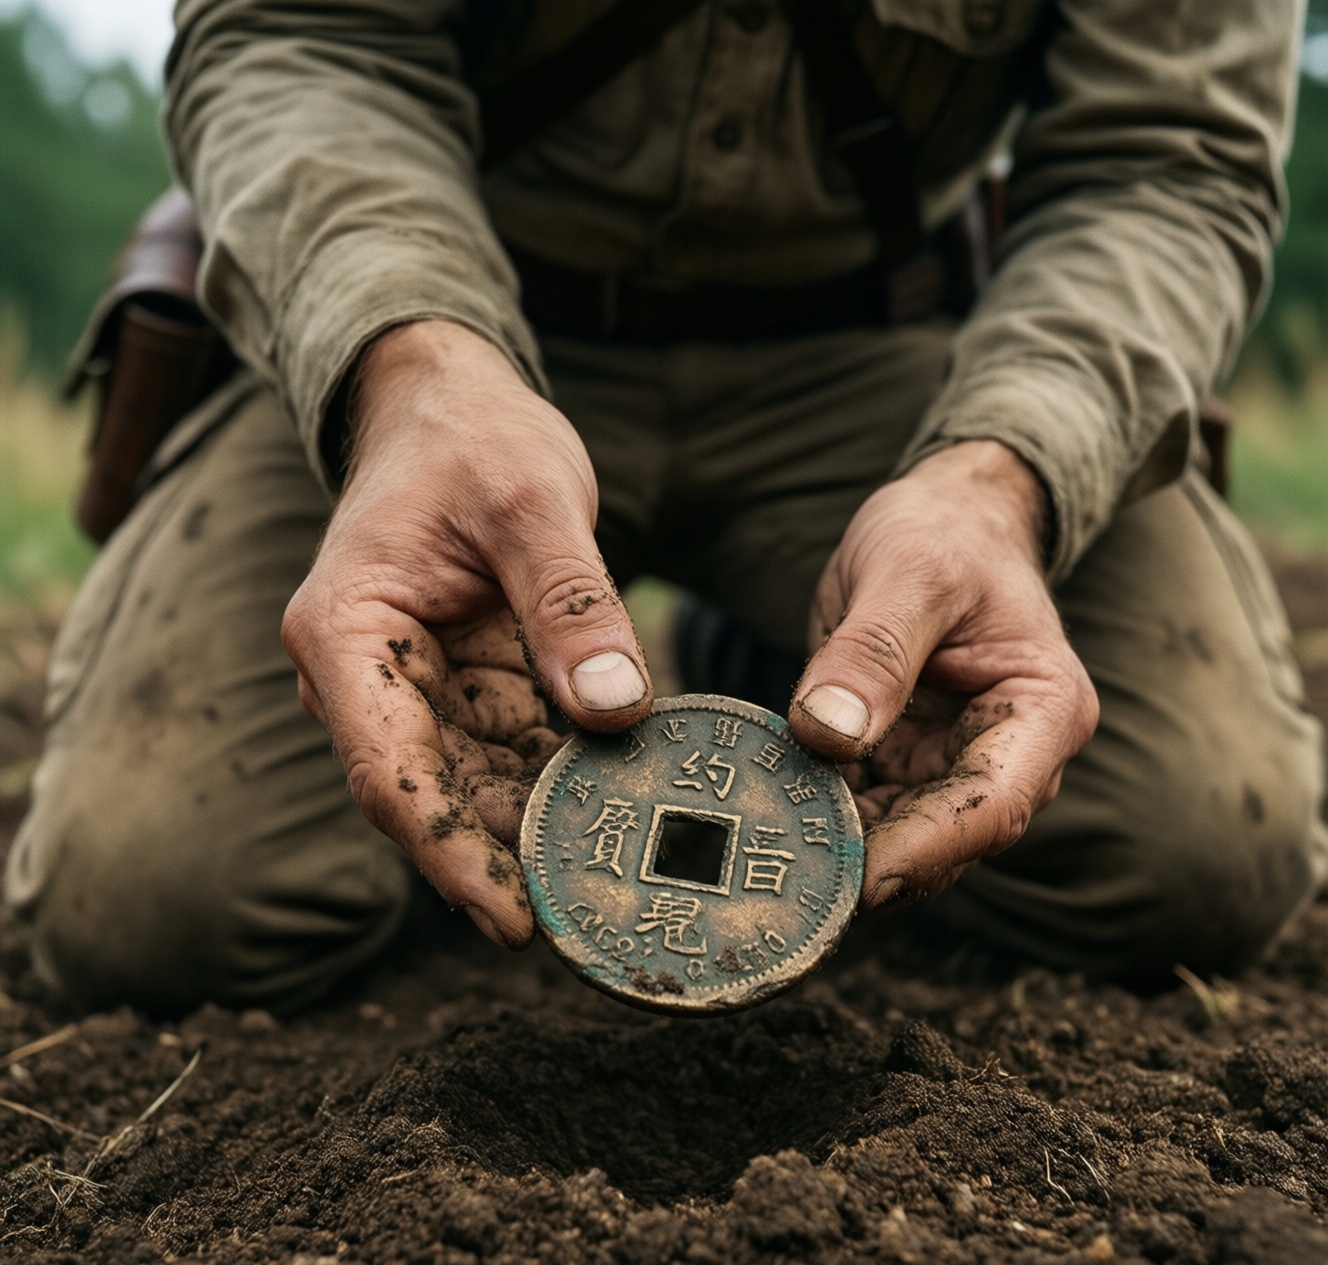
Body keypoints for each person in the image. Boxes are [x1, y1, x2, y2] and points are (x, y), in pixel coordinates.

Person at [6, 0, 1325, 1014]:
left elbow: (1168, 159)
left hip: (896, 357)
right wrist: (408, 369)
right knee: (155, 895)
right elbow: (300, 38)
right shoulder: (421, 351)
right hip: (442, 325)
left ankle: (775, 670)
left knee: (1196, 849)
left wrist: (1007, 471)